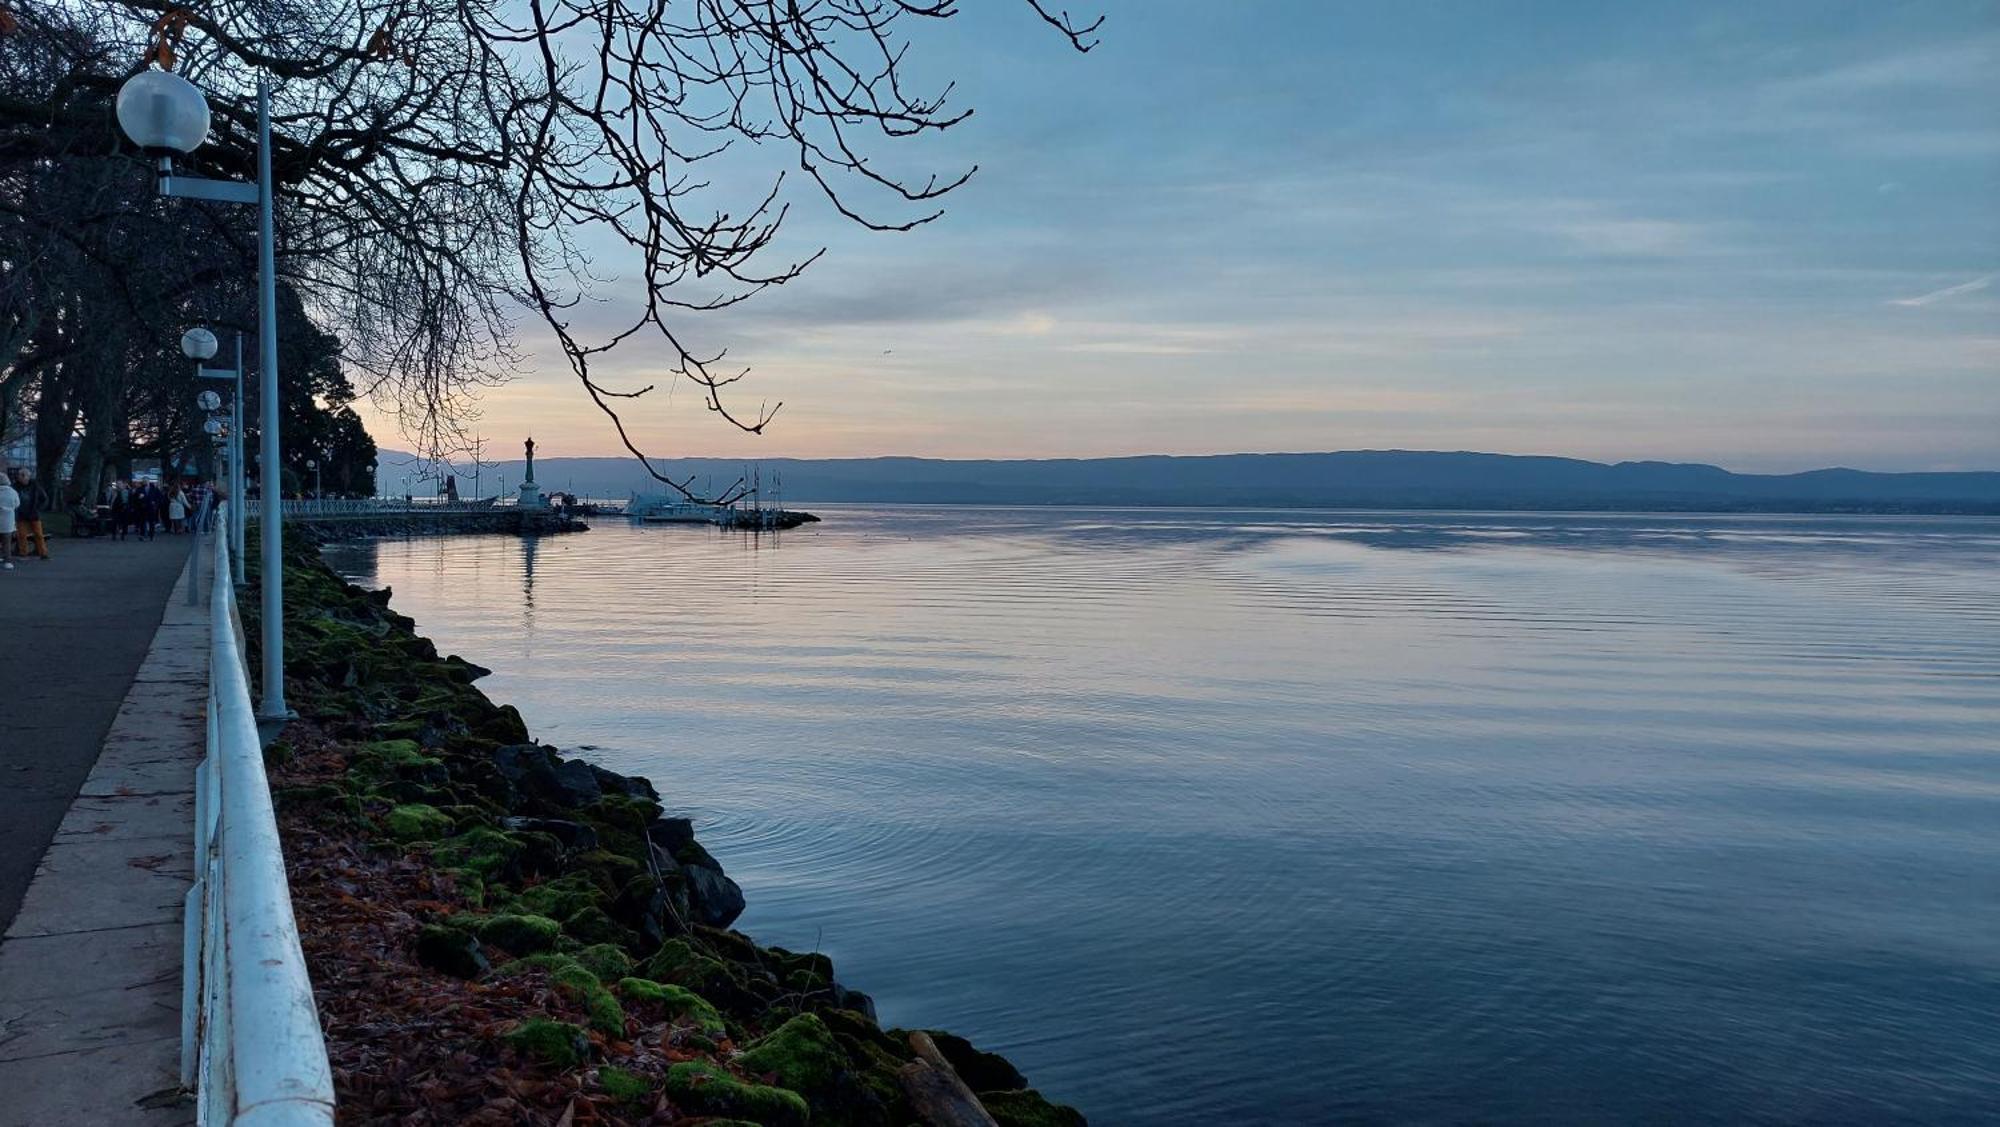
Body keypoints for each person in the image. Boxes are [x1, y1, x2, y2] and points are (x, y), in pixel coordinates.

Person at [11, 468, 50, 559]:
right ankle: (23, 553)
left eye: (22, 475)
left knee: (39, 534)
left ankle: (43, 553)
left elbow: (44, 498)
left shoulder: (35, 486)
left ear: (27, 476)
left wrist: (38, 508)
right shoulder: (15, 486)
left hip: (33, 514)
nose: (20, 477)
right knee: (22, 535)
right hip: (21, 514)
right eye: (20, 475)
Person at [0, 471, 17, 570]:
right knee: (7, 542)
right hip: (8, 521)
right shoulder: (12, 492)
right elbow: (17, 504)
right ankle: (8, 562)